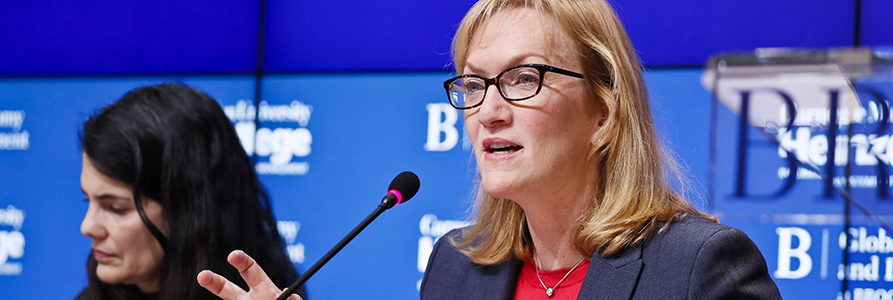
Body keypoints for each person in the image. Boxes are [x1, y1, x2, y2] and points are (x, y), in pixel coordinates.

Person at [198, 0, 782, 299]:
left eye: (524, 79)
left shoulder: (699, 270)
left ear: (603, 113)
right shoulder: (457, 269)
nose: (489, 110)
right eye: (474, 84)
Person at [77, 83, 302, 300]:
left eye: (116, 208)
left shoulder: (272, 294)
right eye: (88, 200)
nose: (87, 227)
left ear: (188, 211)